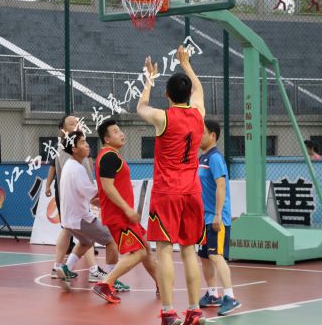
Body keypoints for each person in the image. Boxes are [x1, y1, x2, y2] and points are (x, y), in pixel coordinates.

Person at [137, 45, 206, 325]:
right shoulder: (199, 113)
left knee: (165, 250)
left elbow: (140, 107)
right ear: (188, 94)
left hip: (167, 191)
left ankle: (168, 311)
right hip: (192, 191)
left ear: (167, 94)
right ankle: (194, 309)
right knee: (189, 250)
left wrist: (149, 79)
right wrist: (186, 64)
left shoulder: (162, 117)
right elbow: (199, 90)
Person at [92, 119, 158, 303]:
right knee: (139, 253)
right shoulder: (109, 157)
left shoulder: (111, 156)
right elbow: (108, 187)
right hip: (120, 216)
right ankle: (105, 283)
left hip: (123, 215)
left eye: (120, 130)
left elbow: (105, 188)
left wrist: (101, 200)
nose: (121, 133)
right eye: (115, 131)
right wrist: (127, 209)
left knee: (146, 249)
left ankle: (161, 284)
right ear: (106, 139)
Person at [55, 131, 128, 295]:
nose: (87, 145)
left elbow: (88, 196)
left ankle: (66, 268)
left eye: (86, 141)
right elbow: (93, 194)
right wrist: (116, 201)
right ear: (74, 149)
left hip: (69, 219)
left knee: (86, 241)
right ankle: (111, 280)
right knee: (111, 241)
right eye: (82, 142)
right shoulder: (77, 169)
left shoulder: (69, 166)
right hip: (80, 218)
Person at [44, 115, 108, 285]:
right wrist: (48, 185)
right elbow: (54, 168)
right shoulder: (67, 148)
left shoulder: (80, 144)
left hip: (78, 193)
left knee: (71, 230)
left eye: (77, 122)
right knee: (82, 230)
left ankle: (58, 266)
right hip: (72, 195)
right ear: (63, 129)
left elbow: (88, 165)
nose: (76, 125)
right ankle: (93, 269)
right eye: (72, 123)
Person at [197, 119, 242, 316]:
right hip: (204, 217)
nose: (198, 136)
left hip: (216, 217)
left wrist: (218, 214)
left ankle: (230, 297)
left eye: (201, 132)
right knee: (205, 256)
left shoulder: (215, 157)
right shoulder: (202, 158)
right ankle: (213, 294)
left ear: (212, 136)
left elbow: (221, 186)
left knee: (216, 255)